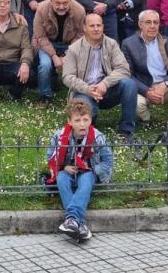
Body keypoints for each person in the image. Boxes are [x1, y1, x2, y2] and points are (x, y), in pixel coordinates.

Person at [61, 13, 142, 152]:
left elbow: (123, 69)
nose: (96, 29)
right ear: (85, 28)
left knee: (129, 84)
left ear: (103, 27)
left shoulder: (111, 44)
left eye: (99, 25)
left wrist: (105, 83)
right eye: (92, 26)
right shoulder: (74, 48)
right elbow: (67, 77)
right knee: (86, 114)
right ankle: (91, 128)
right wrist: (87, 89)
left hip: (108, 90)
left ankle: (126, 131)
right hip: (85, 91)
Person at [45, 99, 114, 242]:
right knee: (62, 179)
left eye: (85, 120)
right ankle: (79, 224)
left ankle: (71, 220)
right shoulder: (59, 136)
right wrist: (64, 167)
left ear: (90, 120)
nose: (82, 124)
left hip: (89, 171)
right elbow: (50, 157)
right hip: (68, 170)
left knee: (86, 179)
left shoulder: (98, 137)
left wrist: (92, 170)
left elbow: (107, 162)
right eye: (77, 120)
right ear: (70, 122)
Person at [121, 10, 168, 135]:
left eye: (156, 22)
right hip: (144, 87)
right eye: (148, 22)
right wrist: (147, 91)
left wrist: (166, 84)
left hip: (165, 86)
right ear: (140, 24)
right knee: (135, 102)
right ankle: (146, 119)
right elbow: (127, 74)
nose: (152, 26)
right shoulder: (128, 44)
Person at [33, 0, 86, 105]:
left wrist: (68, 55)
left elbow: (80, 35)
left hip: (70, 44)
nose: (61, 7)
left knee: (81, 64)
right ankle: (45, 96)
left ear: (70, 1)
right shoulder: (41, 9)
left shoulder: (80, 10)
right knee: (45, 65)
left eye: (65, 3)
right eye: (57, 3)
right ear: (51, 1)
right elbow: (40, 36)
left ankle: (78, 95)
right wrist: (54, 56)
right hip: (47, 43)